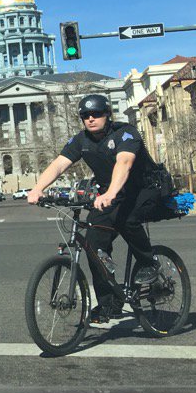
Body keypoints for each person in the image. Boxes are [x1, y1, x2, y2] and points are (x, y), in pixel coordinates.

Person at [27, 93, 161, 324]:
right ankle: (109, 304)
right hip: (112, 194)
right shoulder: (81, 140)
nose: (90, 118)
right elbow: (59, 164)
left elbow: (124, 163)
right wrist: (38, 188)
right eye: (85, 115)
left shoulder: (126, 133)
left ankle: (149, 262)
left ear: (107, 114)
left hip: (144, 189)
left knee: (128, 221)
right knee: (93, 244)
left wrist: (110, 193)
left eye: (96, 114)